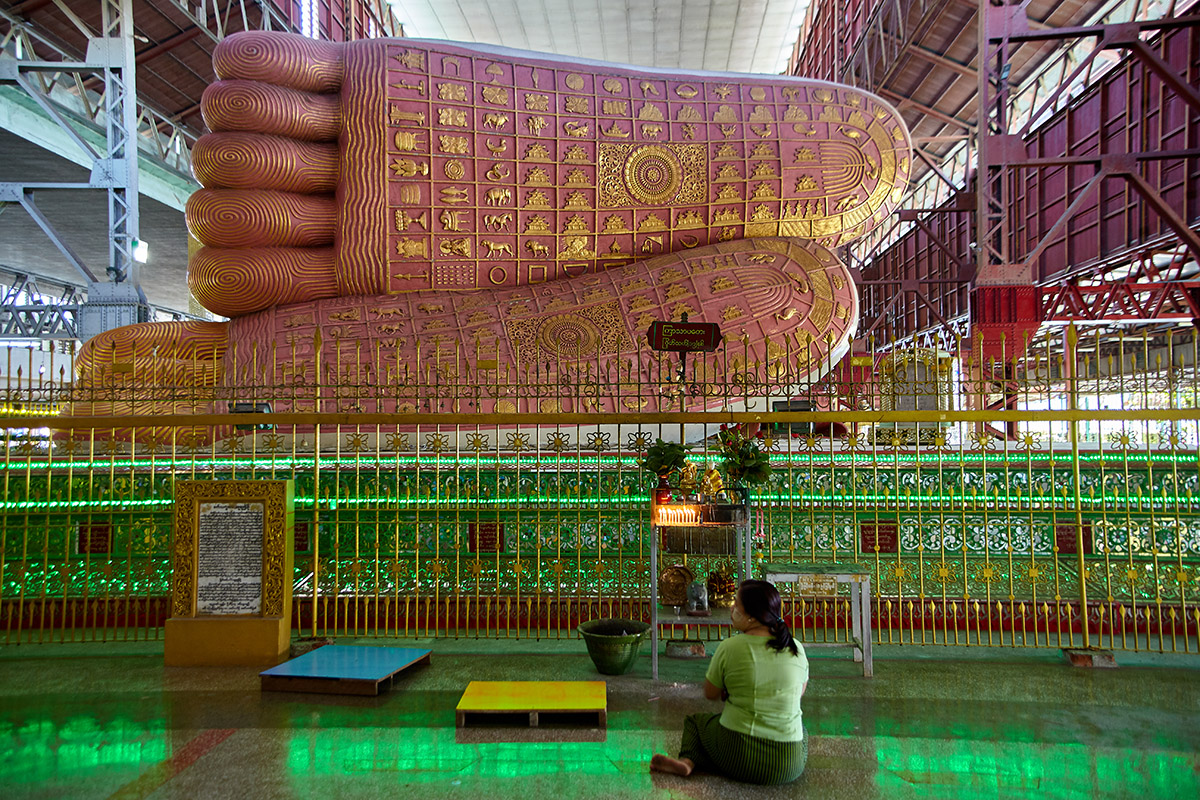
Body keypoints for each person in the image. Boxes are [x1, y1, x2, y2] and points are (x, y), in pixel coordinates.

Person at [650, 580, 809, 784]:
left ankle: (688, 761)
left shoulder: (730, 647)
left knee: (697, 723)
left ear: (751, 616)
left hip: (739, 756)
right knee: (802, 730)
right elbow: (799, 693)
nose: (731, 608)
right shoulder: (796, 647)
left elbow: (710, 693)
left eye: (736, 604)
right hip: (788, 766)